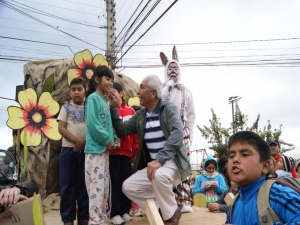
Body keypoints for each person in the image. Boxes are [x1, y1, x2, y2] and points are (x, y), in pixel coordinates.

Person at [109, 74, 191, 225]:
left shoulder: (169, 108)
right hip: (156, 167)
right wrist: (114, 108)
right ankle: (167, 208)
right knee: (128, 186)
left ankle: (169, 218)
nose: (138, 92)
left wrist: (159, 160)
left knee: (159, 175)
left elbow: (178, 134)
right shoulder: (141, 115)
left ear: (153, 93)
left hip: (173, 164)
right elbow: (122, 130)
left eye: (142, 87)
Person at [226, 131, 300, 224]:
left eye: (244, 154)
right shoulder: (232, 207)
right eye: (231, 156)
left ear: (265, 166)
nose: (235, 160)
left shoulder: (278, 196)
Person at [84, 66, 120, 225]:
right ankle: (95, 221)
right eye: (107, 79)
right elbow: (93, 124)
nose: (110, 82)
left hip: (104, 152)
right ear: (97, 80)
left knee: (104, 189)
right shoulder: (92, 98)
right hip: (95, 151)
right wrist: (108, 140)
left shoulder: (104, 101)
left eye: (112, 80)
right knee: (96, 190)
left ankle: (101, 218)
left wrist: (114, 140)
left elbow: (108, 124)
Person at [161, 48, 195, 213]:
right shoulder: (161, 89)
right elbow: (160, 102)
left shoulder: (185, 91)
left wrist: (191, 135)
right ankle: (168, 202)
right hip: (165, 130)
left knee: (183, 165)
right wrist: (168, 86)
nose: (173, 71)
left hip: (182, 131)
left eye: (175, 68)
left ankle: (184, 200)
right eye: (170, 68)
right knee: (166, 165)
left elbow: (191, 114)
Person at [57, 78, 89, 225]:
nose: (76, 92)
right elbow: (61, 128)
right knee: (67, 186)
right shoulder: (66, 107)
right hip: (69, 151)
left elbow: (95, 126)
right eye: (73, 89)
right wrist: (76, 141)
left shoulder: (90, 106)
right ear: (70, 92)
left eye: (79, 89)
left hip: (86, 150)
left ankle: (83, 217)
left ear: (85, 90)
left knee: (84, 185)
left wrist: (84, 143)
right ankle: (68, 219)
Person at [108, 82, 138, 225]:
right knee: (113, 183)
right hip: (112, 153)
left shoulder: (131, 111)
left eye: (114, 91)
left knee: (125, 183)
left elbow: (135, 135)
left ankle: (125, 211)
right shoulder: (107, 110)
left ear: (121, 93)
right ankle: (114, 213)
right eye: (109, 92)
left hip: (127, 153)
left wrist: (135, 151)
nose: (111, 94)